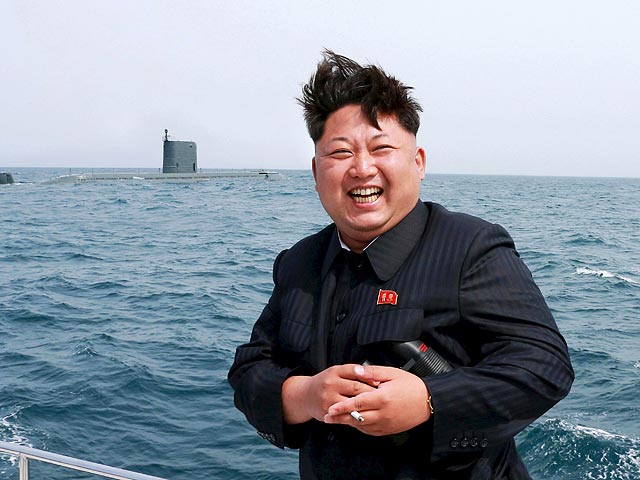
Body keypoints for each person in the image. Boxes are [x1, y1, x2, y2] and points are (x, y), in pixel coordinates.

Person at [228, 50, 574, 479]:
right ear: (316, 172)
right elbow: (249, 369)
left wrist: (429, 401)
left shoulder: (471, 247)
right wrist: (304, 395)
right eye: (340, 153)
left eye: (381, 148)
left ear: (418, 162)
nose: (362, 168)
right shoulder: (300, 262)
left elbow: (544, 365)